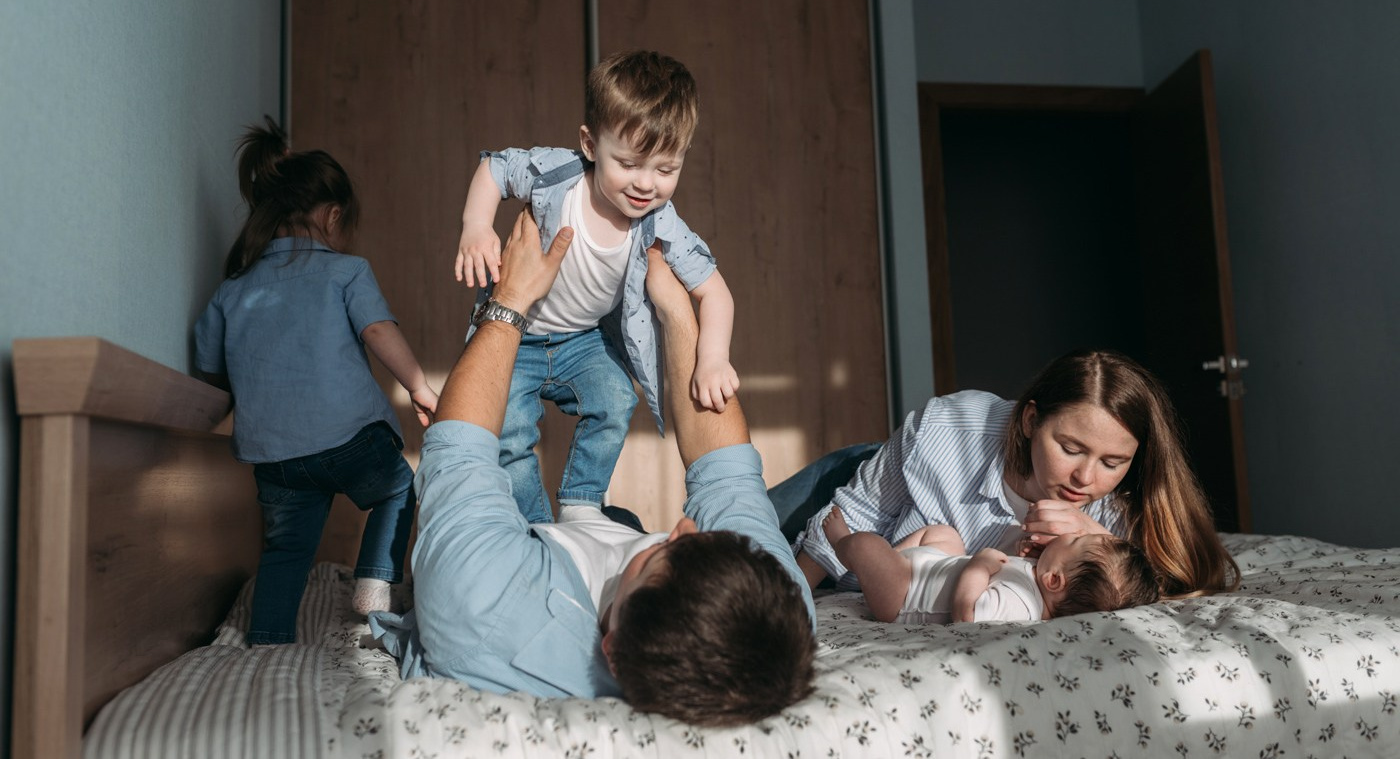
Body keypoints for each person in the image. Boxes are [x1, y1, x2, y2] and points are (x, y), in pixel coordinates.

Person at [370, 210, 814, 727]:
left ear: (611, 650)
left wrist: (512, 300)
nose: (683, 527)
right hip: (603, 531)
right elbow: (726, 473)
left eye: (660, 555)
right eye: (687, 540)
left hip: (527, 552)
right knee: (848, 467)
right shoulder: (776, 607)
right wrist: (674, 311)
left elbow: (459, 448)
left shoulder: (486, 604)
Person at [452, 49, 738, 524]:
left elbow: (715, 291)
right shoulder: (556, 178)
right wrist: (476, 225)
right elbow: (496, 167)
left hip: (582, 340)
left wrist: (712, 358)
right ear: (589, 144)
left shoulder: (662, 223)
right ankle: (536, 525)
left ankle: (582, 504)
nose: (647, 184)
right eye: (628, 164)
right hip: (518, 335)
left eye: (666, 170)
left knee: (615, 399)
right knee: (508, 429)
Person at [195, 117, 438, 645]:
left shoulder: (232, 291)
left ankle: (267, 636)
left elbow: (210, 367)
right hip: (349, 434)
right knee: (397, 489)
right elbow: (378, 330)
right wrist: (419, 386)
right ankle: (374, 584)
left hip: (274, 454)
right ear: (331, 215)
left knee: (285, 552)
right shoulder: (347, 271)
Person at [770, 349, 1239, 599]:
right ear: (1031, 420)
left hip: (886, 553)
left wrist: (1096, 537)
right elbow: (849, 514)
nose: (1085, 478)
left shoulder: (1118, 512)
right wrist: (794, 603)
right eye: (1070, 449)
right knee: (728, 538)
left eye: (1111, 463)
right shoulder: (948, 428)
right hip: (848, 486)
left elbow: (1189, 576)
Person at [822, 505, 1160, 624]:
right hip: (931, 567)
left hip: (905, 597)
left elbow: (966, 616)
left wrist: (979, 568)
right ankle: (887, 565)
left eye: (1073, 541)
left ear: (1055, 581)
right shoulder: (1035, 587)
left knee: (868, 545)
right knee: (944, 533)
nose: (1066, 536)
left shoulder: (1022, 604)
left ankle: (843, 545)